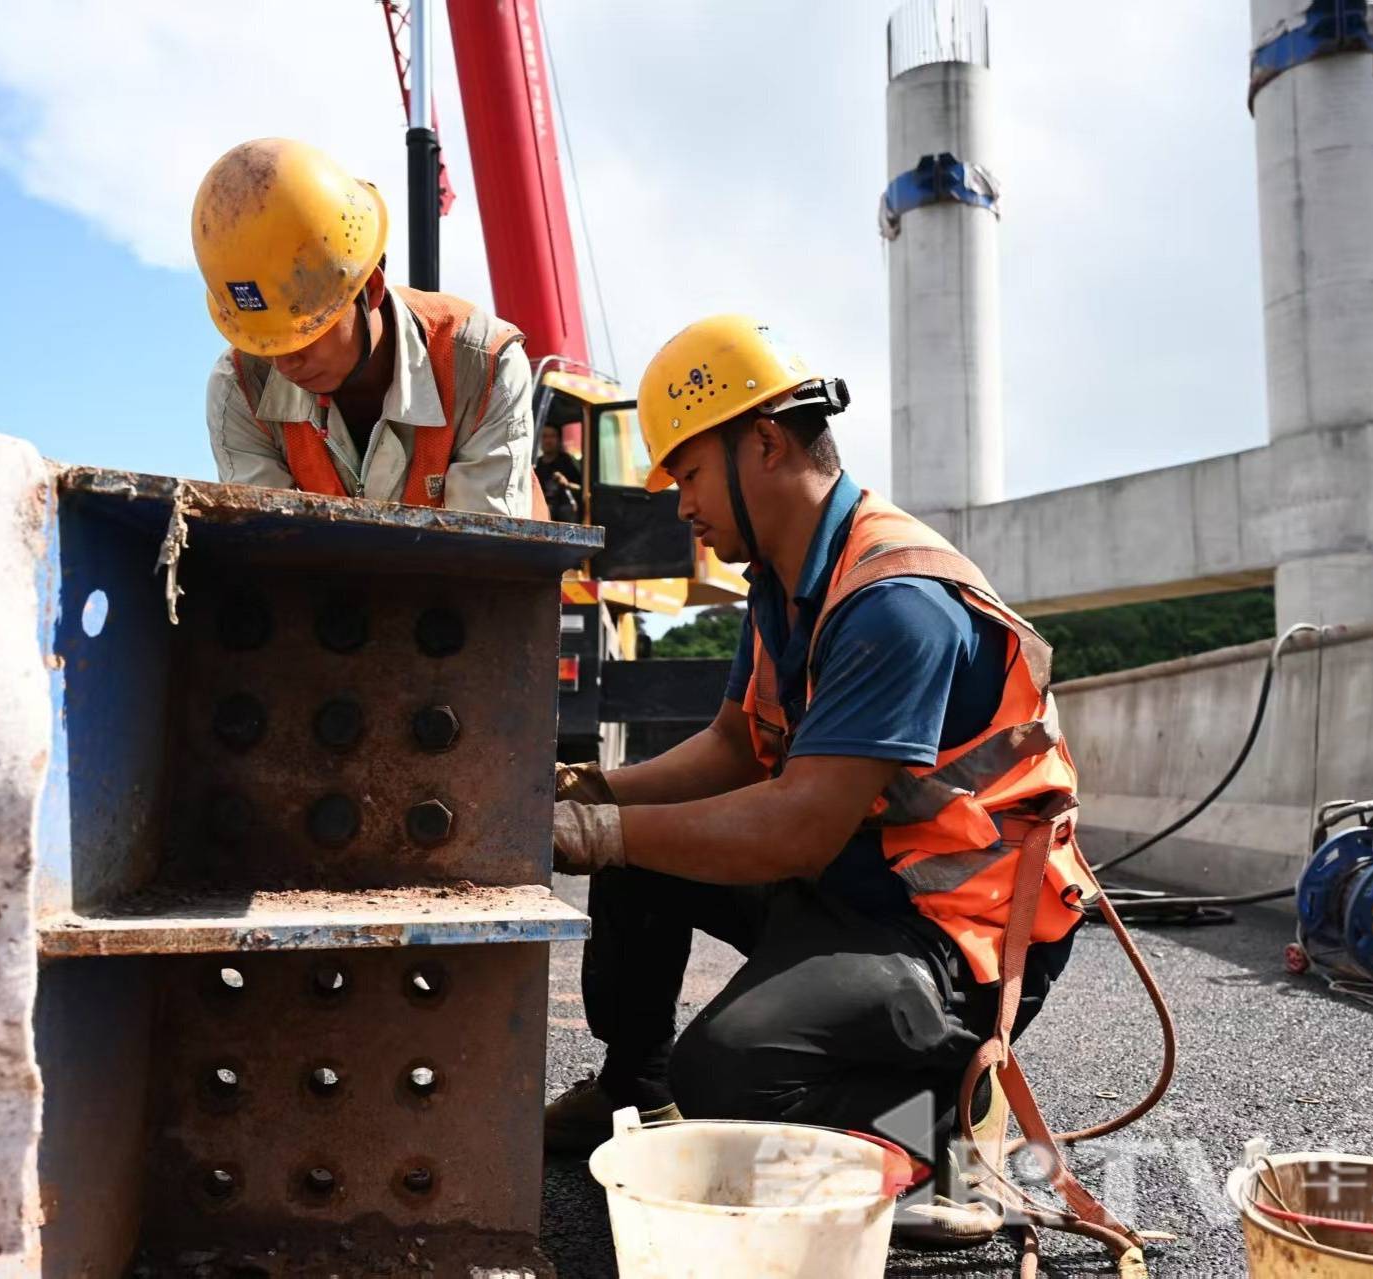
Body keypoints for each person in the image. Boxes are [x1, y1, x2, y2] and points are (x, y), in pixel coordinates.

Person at [545, 316, 1102, 1245]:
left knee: (727, 1073)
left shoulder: (895, 600)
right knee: (638, 861)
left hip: (950, 936)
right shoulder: (786, 578)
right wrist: (593, 793)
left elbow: (795, 828)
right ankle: (631, 1087)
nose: (680, 505)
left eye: (688, 473)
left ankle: (938, 1132)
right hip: (858, 883)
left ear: (763, 443)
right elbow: (733, 746)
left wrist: (595, 830)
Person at [193, 138, 536, 516]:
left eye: (307, 330)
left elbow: (485, 546)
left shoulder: (482, 367)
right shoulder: (241, 386)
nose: (284, 363)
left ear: (370, 288)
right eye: (264, 342)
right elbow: (264, 540)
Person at [535, 421, 583, 523]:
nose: (548, 440)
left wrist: (567, 484)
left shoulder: (568, 461)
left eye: (552, 436)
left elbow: (584, 489)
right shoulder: (537, 465)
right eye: (544, 436)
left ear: (559, 440)